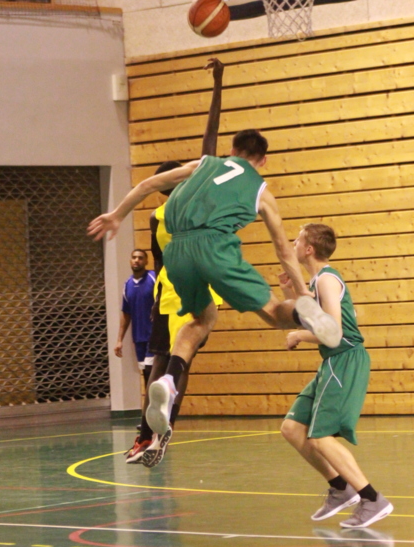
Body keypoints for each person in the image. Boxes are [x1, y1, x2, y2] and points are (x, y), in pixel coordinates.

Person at [88, 131, 341, 447]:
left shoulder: (203, 164)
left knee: (201, 320)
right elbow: (283, 249)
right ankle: (305, 311)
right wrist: (302, 292)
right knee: (276, 313)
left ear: (232, 150)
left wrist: (117, 215)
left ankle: (169, 381)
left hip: (176, 253)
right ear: (263, 160)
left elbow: (147, 185)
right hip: (215, 247)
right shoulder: (261, 191)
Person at [126, 58, 225, 466]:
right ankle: (160, 434)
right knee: (177, 367)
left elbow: (158, 262)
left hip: (166, 292)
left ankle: (143, 436)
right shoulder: (195, 203)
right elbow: (209, 144)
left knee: (160, 363)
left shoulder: (156, 215)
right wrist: (218, 85)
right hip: (193, 290)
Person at [280, 223, 393, 529]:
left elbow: (334, 332)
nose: (293, 242)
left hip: (345, 360)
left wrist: (299, 336)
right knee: (292, 427)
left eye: (298, 239)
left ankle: (372, 499)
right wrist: (290, 292)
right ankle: (340, 488)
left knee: (320, 437)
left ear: (308, 249)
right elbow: (313, 320)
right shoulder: (316, 281)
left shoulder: (327, 280)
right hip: (332, 361)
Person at [114, 248, 155, 386]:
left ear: (146, 261)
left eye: (140, 258)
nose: (137, 260)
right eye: (134, 257)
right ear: (130, 261)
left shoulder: (154, 278)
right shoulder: (127, 285)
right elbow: (126, 314)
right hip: (139, 338)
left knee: (151, 371)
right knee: (146, 374)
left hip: (155, 336)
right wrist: (119, 340)